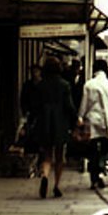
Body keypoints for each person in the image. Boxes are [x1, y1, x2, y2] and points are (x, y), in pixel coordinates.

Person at [33, 56, 76, 199]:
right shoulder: (64, 85)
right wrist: (76, 120)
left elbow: (35, 107)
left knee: (46, 155)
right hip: (60, 123)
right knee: (59, 156)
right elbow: (69, 106)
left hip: (44, 122)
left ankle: (45, 175)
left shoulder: (40, 85)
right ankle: (56, 185)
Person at [77, 60, 108, 189]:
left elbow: (85, 102)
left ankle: (94, 176)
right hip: (106, 119)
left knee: (93, 148)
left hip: (92, 119)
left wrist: (80, 116)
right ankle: (101, 169)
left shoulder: (89, 85)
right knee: (106, 147)